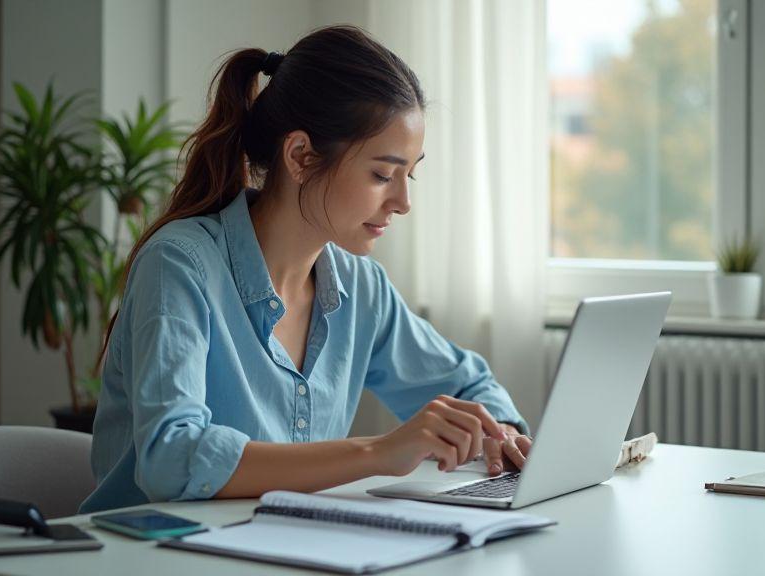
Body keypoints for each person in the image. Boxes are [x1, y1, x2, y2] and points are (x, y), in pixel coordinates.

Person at [79, 25, 532, 514]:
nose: (402, 203)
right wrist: (377, 452)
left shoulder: (361, 288)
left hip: (288, 548)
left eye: (409, 174)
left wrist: (499, 433)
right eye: (382, 174)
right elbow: (170, 458)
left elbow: (468, 386)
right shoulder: (180, 265)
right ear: (300, 155)